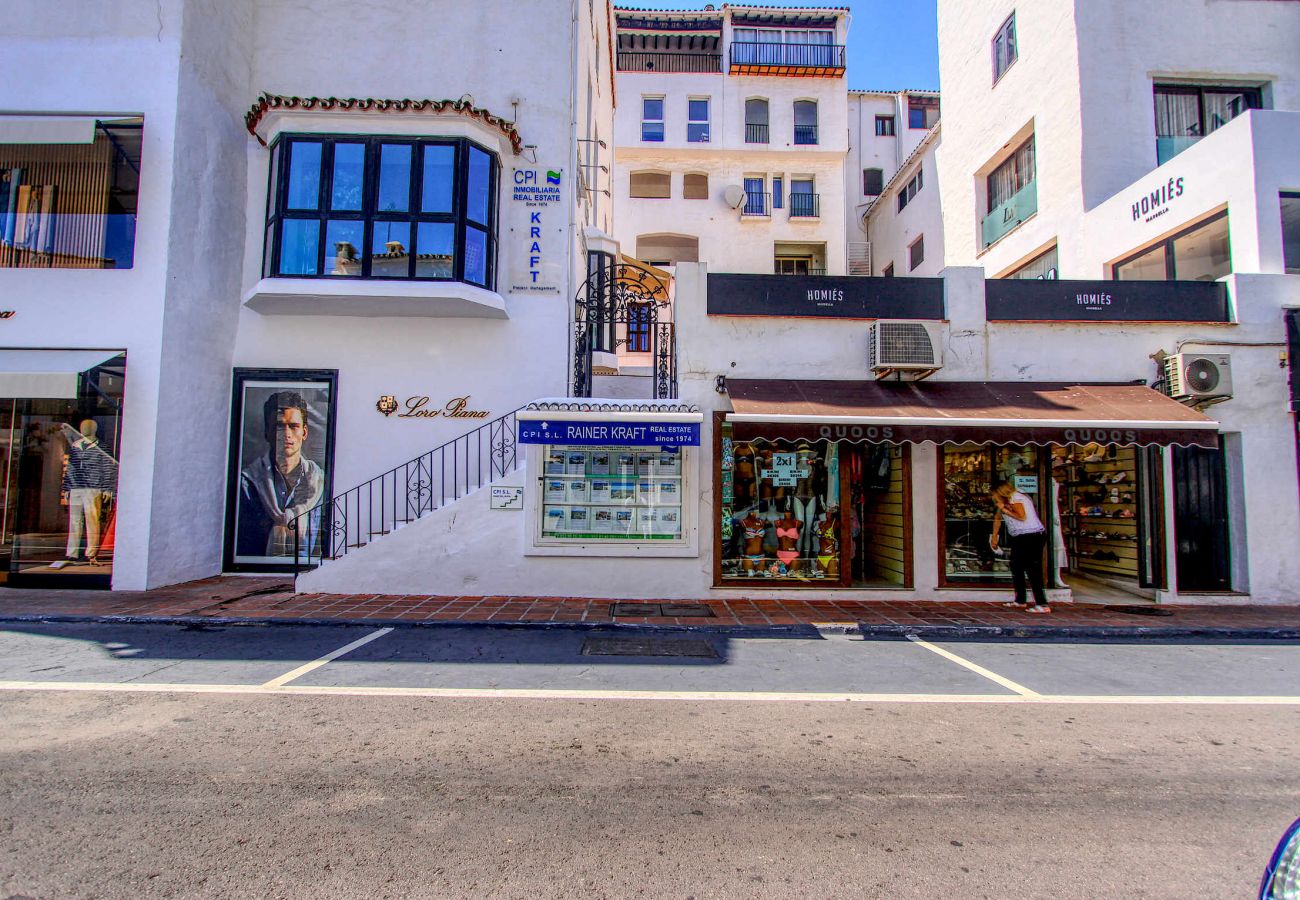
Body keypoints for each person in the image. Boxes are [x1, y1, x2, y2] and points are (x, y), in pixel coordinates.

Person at [237, 391, 325, 559]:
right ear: (267, 433)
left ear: (304, 433)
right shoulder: (247, 484)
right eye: (279, 426)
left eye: (293, 426)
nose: (286, 434)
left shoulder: (319, 481)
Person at [58, 420, 117, 566]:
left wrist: (108, 488)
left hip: (93, 488)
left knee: (92, 521)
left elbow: (108, 469)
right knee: (74, 521)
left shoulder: (102, 448)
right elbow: (71, 468)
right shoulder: (75, 447)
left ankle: (91, 553)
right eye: (83, 426)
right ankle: (72, 553)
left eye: (88, 427)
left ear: (94, 429)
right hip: (76, 487)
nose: (84, 429)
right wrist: (66, 487)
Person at [989, 480, 1050, 612]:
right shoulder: (1005, 502)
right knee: (1016, 567)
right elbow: (998, 518)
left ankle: (1042, 604)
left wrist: (1004, 508)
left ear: (1000, 492)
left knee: (1032, 569)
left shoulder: (1017, 498)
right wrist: (994, 536)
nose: (993, 497)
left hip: (1031, 536)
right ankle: (1020, 600)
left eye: (994, 494)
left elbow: (1021, 516)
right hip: (1020, 537)